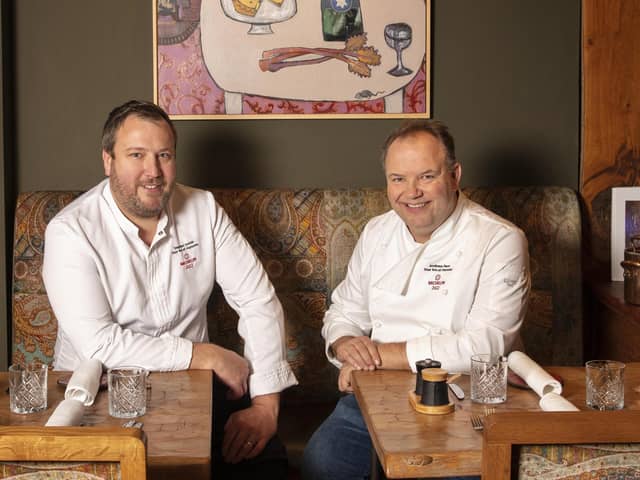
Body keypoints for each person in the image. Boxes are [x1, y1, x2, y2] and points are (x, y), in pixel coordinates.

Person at [42, 100, 297, 478]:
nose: (153, 172)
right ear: (108, 160)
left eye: (164, 155)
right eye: (136, 155)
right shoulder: (71, 231)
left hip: (192, 390)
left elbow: (258, 301)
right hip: (98, 392)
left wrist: (264, 405)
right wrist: (203, 355)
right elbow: (100, 343)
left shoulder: (203, 209)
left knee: (266, 465)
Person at [302, 120, 530, 480]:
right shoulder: (377, 231)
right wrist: (346, 343)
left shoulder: (500, 239)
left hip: (465, 398)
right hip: (375, 396)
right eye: (398, 179)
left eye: (426, 176)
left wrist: (374, 358)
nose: (412, 192)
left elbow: (485, 346)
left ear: (454, 175)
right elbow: (344, 311)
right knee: (323, 462)